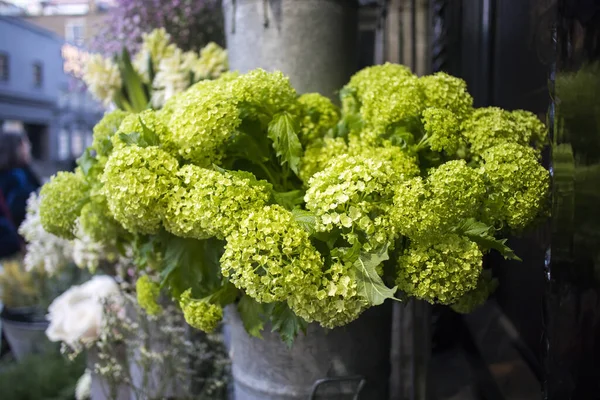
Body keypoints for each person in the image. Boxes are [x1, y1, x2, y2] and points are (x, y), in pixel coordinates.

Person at [0, 131, 40, 258]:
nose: (29, 146)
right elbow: (23, 212)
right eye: (26, 143)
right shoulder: (18, 177)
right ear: (17, 148)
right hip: (19, 248)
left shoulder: (6, 175)